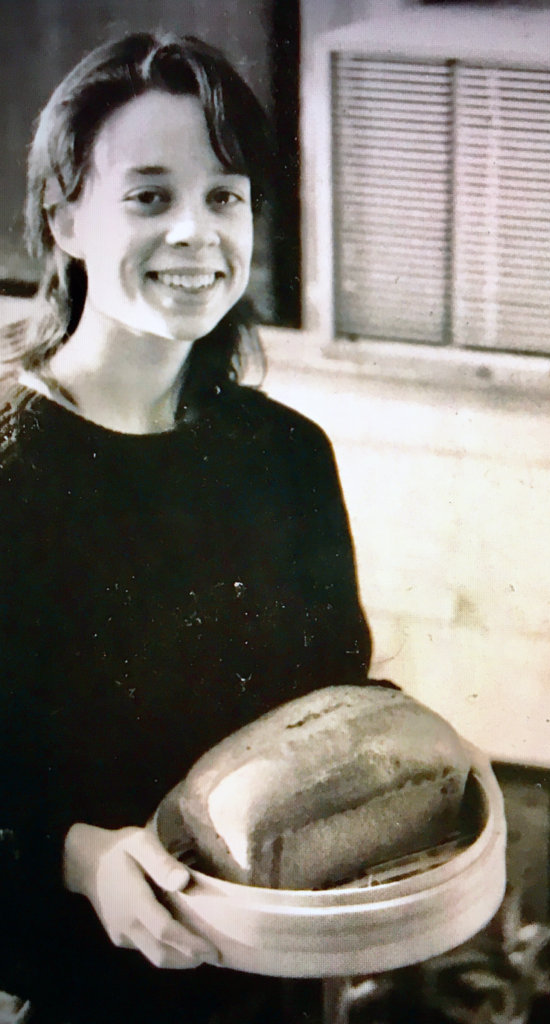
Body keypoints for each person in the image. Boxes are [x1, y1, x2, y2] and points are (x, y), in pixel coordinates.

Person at [0, 33, 373, 1024]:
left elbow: (328, 710)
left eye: (224, 197)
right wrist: (79, 857)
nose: (196, 234)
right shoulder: (9, 471)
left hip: (273, 991)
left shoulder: (290, 458)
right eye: (150, 197)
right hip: (71, 991)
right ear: (64, 218)